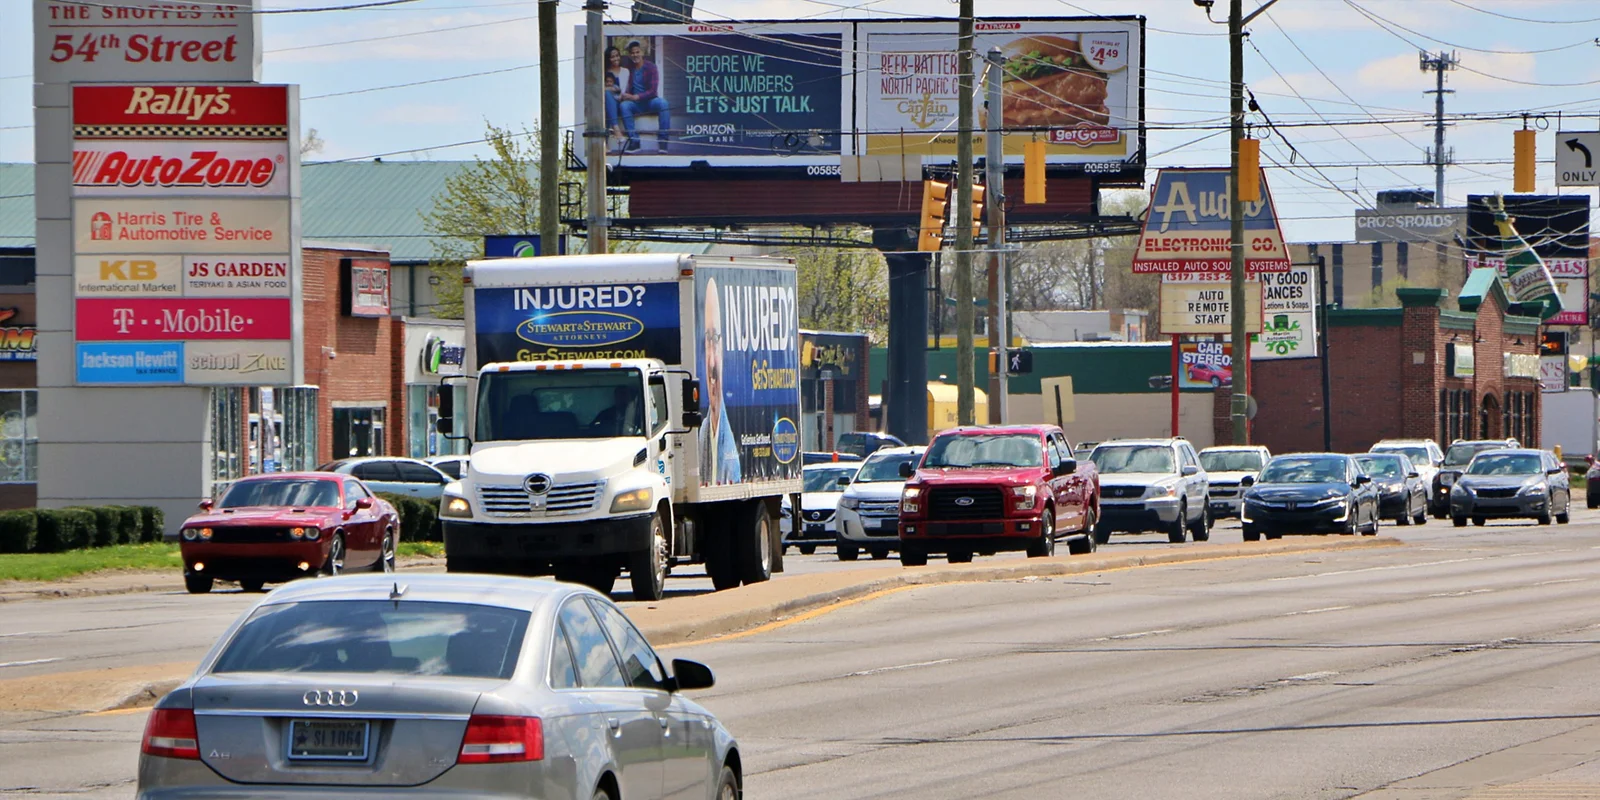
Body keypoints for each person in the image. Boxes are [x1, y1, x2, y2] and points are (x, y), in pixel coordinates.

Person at [700, 278, 741, 484]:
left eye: (715, 339)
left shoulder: (731, 447)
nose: (712, 361)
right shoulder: (702, 434)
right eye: (708, 340)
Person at [619, 39, 671, 153]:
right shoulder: (629, 69)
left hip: (650, 101)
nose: (635, 55)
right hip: (635, 104)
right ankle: (634, 141)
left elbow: (653, 91)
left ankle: (663, 141)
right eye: (632, 53)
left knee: (663, 103)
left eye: (637, 52)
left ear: (642, 53)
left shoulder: (651, 67)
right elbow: (624, 85)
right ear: (629, 55)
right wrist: (624, 95)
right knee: (624, 106)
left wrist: (636, 96)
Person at [603, 46, 629, 150]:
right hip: (608, 103)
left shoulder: (625, 71)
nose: (615, 58)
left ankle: (605, 144)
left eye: (617, 56)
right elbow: (600, 89)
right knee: (608, 98)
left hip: (621, 101)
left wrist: (610, 90)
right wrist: (609, 89)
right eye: (612, 57)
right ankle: (616, 129)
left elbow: (624, 90)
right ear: (608, 59)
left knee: (608, 102)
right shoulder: (605, 72)